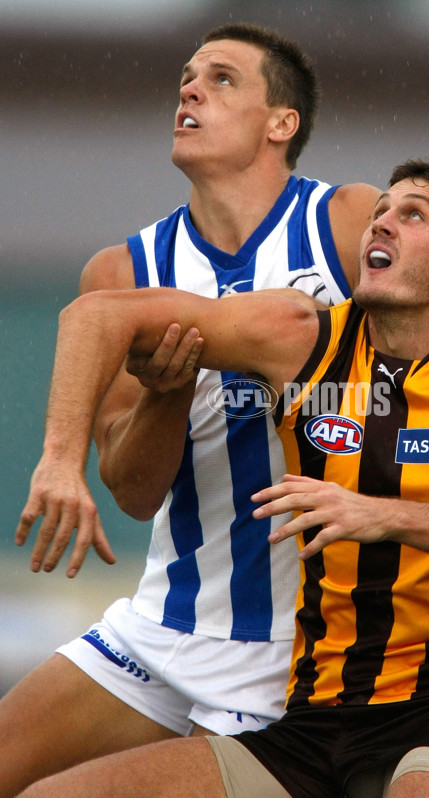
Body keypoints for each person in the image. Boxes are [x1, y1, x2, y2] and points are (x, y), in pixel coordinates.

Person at [16, 159, 429, 798]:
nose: (384, 223)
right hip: (309, 714)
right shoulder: (301, 338)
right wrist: (62, 462)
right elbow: (95, 315)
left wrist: (384, 512)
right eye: (382, 212)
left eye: (413, 214)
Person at [0, 22, 380, 797]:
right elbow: (136, 492)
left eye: (222, 78)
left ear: (283, 123)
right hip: (165, 626)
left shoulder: (345, 223)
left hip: (304, 646)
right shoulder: (124, 269)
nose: (190, 89)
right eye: (186, 76)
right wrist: (162, 400)